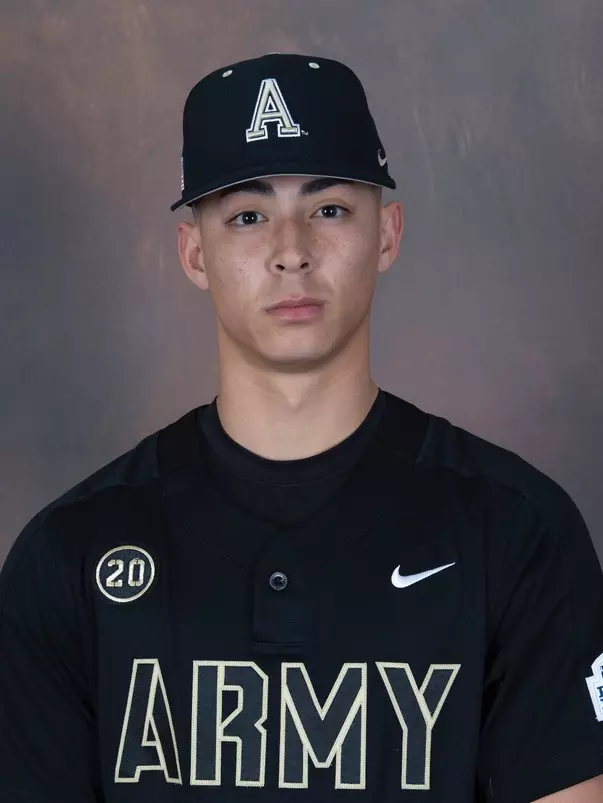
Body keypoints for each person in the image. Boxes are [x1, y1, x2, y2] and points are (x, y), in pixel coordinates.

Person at [1, 52, 602, 803]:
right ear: (195, 253)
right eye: (248, 216)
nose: (291, 252)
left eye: (328, 209)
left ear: (386, 233)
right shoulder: (68, 556)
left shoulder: (515, 531)